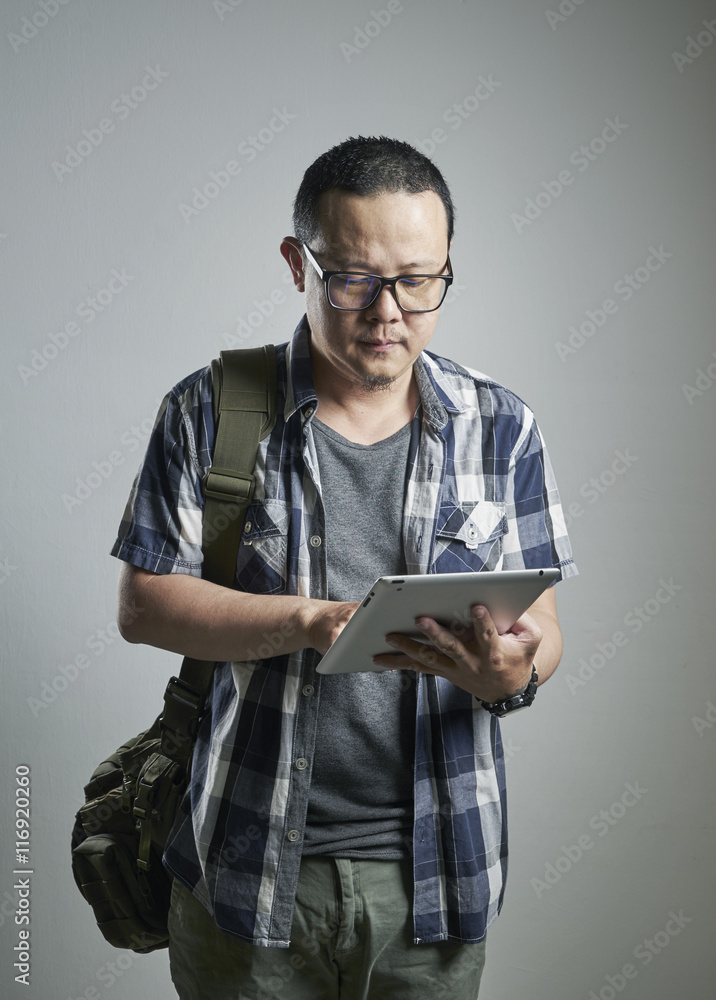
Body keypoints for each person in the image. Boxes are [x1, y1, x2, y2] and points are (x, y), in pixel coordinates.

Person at [113, 135, 577, 999]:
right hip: (243, 867)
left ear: (445, 269)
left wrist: (512, 669)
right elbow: (144, 605)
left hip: (438, 877)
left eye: (419, 279)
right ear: (299, 264)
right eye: (355, 279)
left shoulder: (502, 426)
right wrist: (310, 621)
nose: (389, 310)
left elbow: (543, 629)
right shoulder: (208, 411)